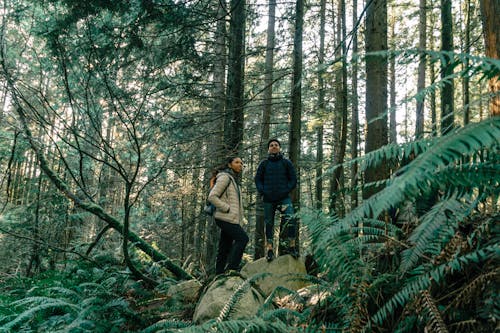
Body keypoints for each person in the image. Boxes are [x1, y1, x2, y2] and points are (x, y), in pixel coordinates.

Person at [254, 139, 298, 261]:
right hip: (269, 200)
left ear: (279, 148)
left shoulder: (286, 163)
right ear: (268, 149)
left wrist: (286, 190)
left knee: (290, 218)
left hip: (284, 198)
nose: (274, 147)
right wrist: (263, 191)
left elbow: (293, 179)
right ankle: (269, 250)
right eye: (271, 145)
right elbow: (258, 180)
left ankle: (292, 246)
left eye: (276, 145)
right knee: (269, 224)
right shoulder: (264, 164)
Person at [208, 156, 249, 274]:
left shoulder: (233, 180)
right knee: (243, 239)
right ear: (229, 165)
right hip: (225, 217)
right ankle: (232, 270)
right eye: (237, 162)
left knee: (224, 247)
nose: (240, 165)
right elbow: (212, 196)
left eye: (241, 163)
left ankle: (219, 272)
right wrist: (226, 208)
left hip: (230, 218)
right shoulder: (225, 177)